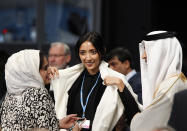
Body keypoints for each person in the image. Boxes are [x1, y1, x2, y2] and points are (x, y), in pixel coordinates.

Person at [50, 31, 137, 131]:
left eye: (93, 52)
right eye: (83, 53)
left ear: (102, 51)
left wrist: (120, 85)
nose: (88, 58)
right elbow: (73, 118)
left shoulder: (115, 78)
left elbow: (134, 115)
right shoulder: (73, 79)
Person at [104, 31, 187, 131]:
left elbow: (146, 123)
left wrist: (122, 87)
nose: (143, 56)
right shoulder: (170, 82)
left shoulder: (172, 86)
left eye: (147, 50)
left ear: (162, 52)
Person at [0, 49, 79, 131]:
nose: (49, 71)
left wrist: (57, 124)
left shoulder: (10, 96)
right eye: (45, 68)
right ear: (31, 72)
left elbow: (28, 125)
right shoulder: (38, 94)